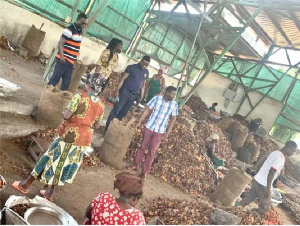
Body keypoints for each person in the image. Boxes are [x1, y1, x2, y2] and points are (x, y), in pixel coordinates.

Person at [10, 74, 105, 200]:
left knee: (49, 158)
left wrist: (63, 112)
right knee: (64, 164)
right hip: (83, 140)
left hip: (69, 137)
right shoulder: (101, 105)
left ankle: (25, 185)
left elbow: (66, 116)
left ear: (88, 85)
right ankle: (49, 193)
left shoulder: (80, 97)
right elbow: (97, 126)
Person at [126, 86, 178, 179]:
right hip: (149, 127)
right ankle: (135, 165)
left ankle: (144, 172)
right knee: (142, 147)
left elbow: (173, 118)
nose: (174, 96)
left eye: (175, 94)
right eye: (173, 94)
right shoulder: (156, 99)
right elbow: (147, 110)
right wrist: (139, 122)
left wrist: (167, 132)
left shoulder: (174, 104)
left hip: (160, 131)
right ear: (167, 93)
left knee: (152, 151)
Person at [240, 141, 297, 215]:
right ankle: (254, 219)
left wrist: (256, 169)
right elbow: (272, 172)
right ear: (287, 148)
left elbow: (265, 162)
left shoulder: (275, 152)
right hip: (264, 184)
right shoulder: (280, 158)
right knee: (265, 208)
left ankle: (236, 209)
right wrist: (268, 189)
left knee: (248, 198)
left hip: (257, 179)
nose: (293, 153)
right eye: (293, 151)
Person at [105, 56, 151, 132]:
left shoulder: (146, 72)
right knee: (116, 110)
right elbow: (123, 79)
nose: (145, 66)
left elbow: (143, 85)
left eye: (147, 65)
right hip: (124, 92)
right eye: (144, 64)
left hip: (133, 96)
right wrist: (117, 90)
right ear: (141, 61)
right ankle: (106, 129)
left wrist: (141, 96)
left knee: (123, 113)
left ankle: (113, 131)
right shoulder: (131, 67)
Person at [48, 13, 88, 91]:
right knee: (55, 78)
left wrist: (74, 61)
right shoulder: (69, 30)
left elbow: (76, 47)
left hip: (70, 61)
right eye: (82, 23)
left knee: (67, 82)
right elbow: (60, 43)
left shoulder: (80, 32)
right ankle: (47, 94)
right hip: (63, 59)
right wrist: (62, 57)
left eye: (85, 24)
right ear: (77, 20)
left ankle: (60, 98)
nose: (83, 25)